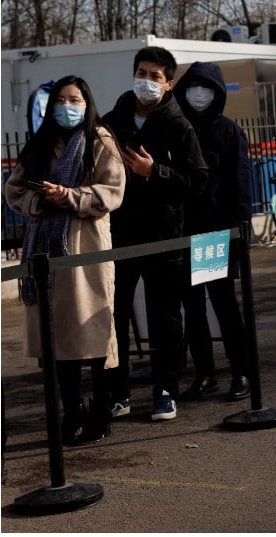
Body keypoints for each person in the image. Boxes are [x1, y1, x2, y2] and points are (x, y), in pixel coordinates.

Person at [5, 76, 126, 444]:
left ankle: (101, 409)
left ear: (87, 104)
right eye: (60, 99)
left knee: (95, 333)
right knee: (58, 337)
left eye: (74, 99)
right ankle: (71, 411)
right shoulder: (40, 144)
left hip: (86, 245)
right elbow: (14, 189)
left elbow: (112, 190)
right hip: (44, 249)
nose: (66, 106)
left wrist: (71, 197)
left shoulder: (100, 139)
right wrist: (41, 201)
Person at [104, 46, 208, 422]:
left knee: (164, 315)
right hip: (119, 235)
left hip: (165, 236)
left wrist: (156, 173)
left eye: (155, 76)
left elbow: (198, 183)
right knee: (113, 315)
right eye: (141, 72)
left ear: (169, 84)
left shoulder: (179, 126)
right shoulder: (112, 121)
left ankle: (166, 389)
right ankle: (116, 391)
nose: (146, 81)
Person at [172, 61, 252, 402]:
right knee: (192, 309)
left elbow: (241, 184)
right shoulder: (174, 128)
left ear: (217, 93)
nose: (199, 94)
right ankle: (204, 374)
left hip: (216, 233)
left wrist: (240, 230)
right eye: (193, 86)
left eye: (206, 87)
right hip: (181, 232)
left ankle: (241, 372)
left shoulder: (228, 131)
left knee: (224, 305)